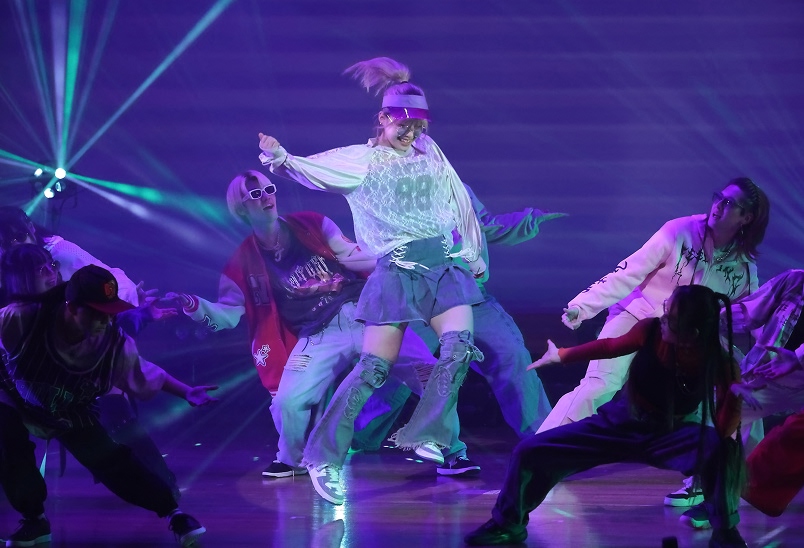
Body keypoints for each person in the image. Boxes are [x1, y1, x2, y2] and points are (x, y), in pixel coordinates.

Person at [257, 56, 487, 505]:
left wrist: (472, 250)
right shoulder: (363, 161)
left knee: (458, 349)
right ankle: (322, 456)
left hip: (443, 265)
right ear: (383, 118)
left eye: (418, 126)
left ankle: (430, 434)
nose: (412, 133)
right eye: (404, 125)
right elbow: (317, 170)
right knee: (373, 369)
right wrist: (283, 159)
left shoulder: (430, 151)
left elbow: (456, 195)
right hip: (397, 270)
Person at [166, 170, 475, 482]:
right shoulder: (242, 262)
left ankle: (453, 453)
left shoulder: (311, 224)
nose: (267, 198)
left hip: (370, 316)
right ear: (241, 208)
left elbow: (353, 255)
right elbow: (229, 314)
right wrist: (193, 305)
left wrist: (395, 252)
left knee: (430, 374)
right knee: (287, 401)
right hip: (318, 333)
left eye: (270, 189)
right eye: (256, 195)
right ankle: (293, 460)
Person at [464, 284, 748, 548]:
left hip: (669, 435)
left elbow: (726, 423)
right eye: (665, 310)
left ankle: (725, 531)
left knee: (724, 450)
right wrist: (562, 355)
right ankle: (507, 524)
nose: (663, 319)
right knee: (529, 451)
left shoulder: (719, 362)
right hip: (620, 424)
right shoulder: (650, 331)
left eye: (671, 318)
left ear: (692, 333)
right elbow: (611, 347)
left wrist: (726, 424)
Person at [0, 265, 218, 547]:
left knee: (110, 460)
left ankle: (174, 514)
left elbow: (143, 371)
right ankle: (35, 521)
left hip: (68, 410)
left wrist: (186, 391)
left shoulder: (114, 345)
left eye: (110, 312)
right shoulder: (23, 319)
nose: (105, 320)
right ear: (72, 307)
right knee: (9, 445)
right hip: (12, 396)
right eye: (96, 312)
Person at [538, 178, 769, 438]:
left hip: (683, 339)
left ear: (746, 218)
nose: (718, 206)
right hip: (636, 318)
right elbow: (630, 271)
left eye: (729, 203)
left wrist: (769, 356)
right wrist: (582, 306)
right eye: (719, 197)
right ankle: (540, 448)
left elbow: (754, 316)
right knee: (598, 386)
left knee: (736, 393)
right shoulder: (680, 231)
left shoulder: (744, 268)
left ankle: (732, 462)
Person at [1, 243, 181, 498]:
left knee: (113, 415)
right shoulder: (14, 315)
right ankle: (32, 513)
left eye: (51, 265)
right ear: (18, 277)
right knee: (9, 432)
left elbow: (106, 328)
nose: (50, 272)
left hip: (74, 389)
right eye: (40, 269)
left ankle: (161, 489)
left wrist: (141, 314)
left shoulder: (67, 302)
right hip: (24, 393)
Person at [408, 183, 562, 439]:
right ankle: (360, 437)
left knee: (511, 355)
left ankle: (542, 439)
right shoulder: (393, 188)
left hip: (470, 298)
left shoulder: (455, 186)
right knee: (398, 366)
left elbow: (483, 225)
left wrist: (530, 218)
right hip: (417, 301)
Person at [677, 269, 804, 527]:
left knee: (791, 438)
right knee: (721, 418)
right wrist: (703, 319)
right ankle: (716, 497)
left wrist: (798, 358)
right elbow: (748, 312)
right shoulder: (796, 281)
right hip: (768, 374)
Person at [0, 205, 139, 306]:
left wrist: (129, 304)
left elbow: (112, 279)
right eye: (5, 242)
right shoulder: (7, 265)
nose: (15, 245)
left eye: (20, 237)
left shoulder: (62, 252)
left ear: (31, 228)